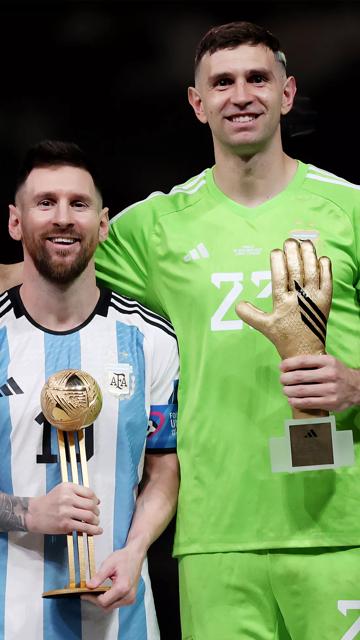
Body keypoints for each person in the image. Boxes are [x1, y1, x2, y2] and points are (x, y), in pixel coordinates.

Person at [2, 20, 360, 640]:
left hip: (340, 529)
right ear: (198, 104)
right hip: (214, 539)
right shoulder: (156, 227)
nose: (240, 95)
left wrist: (355, 384)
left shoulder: (349, 209)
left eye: (257, 78)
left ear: (288, 93)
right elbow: (44, 265)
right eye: (221, 82)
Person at [0, 140, 179, 640]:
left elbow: (164, 469)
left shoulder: (152, 340)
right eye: (45, 203)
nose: (63, 218)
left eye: (79, 204)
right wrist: (30, 513)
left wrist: (136, 548)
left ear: (102, 224)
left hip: (122, 620)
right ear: (15, 222)